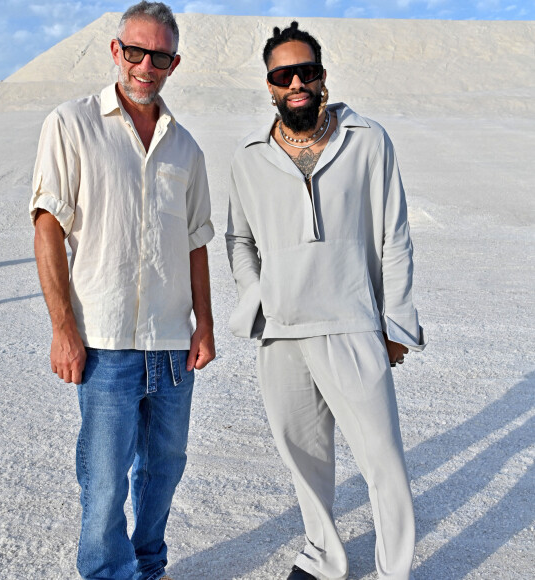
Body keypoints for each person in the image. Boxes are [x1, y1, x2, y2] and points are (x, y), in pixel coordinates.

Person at [226, 22, 426, 580]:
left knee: (382, 460)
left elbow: (395, 234)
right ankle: (324, 558)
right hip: (282, 329)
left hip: (352, 323)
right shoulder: (248, 157)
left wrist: (395, 322)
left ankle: (394, 571)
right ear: (269, 85)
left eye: (306, 72)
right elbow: (238, 239)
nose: (296, 82)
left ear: (323, 77)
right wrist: (255, 296)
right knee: (303, 458)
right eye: (283, 74)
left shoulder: (367, 139)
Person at [30, 3, 215, 579]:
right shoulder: (72, 122)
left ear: (173, 63)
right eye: (134, 51)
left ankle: (149, 565)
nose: (145, 65)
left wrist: (203, 325)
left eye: (159, 56)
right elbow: (47, 226)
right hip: (104, 340)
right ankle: (109, 573)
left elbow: (196, 242)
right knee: (105, 476)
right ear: (116, 51)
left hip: (171, 344)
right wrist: (63, 329)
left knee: (165, 468)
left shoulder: (186, 148)